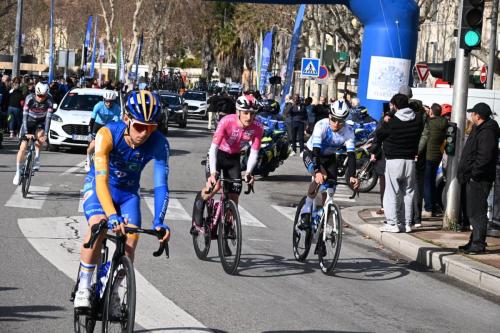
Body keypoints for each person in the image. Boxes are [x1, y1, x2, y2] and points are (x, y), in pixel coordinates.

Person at [73, 90, 171, 309]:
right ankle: (84, 286)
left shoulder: (159, 143)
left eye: (151, 127)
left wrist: (159, 221)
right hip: (101, 187)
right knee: (98, 226)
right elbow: (101, 180)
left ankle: (114, 290)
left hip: (128, 193)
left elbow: (161, 185)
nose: (145, 132)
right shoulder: (107, 134)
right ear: (126, 119)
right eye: (139, 126)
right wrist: (111, 215)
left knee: (131, 240)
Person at [191, 94, 264, 233]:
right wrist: (213, 173)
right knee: (215, 186)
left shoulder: (258, 128)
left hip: (233, 158)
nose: (249, 117)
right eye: (245, 113)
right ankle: (199, 206)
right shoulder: (226, 121)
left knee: (234, 195)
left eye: (252, 114)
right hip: (218, 155)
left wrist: (249, 172)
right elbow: (213, 149)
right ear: (238, 112)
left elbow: (254, 152)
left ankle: (227, 227)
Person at [298, 99, 359, 228]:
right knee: (321, 177)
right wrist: (317, 171)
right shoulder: (321, 126)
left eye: (341, 121)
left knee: (330, 187)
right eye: (334, 119)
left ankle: (322, 225)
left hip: (329, 157)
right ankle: (306, 209)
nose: (336, 124)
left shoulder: (348, 131)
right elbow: (315, 152)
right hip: (312, 153)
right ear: (329, 116)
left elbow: (351, 155)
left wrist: (353, 175)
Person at [377, 93, 424, 233]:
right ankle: (407, 223)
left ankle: (392, 223)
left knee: (391, 193)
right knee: (408, 193)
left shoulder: (392, 121)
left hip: (394, 160)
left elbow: (379, 135)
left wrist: (385, 121)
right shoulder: (417, 120)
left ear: (395, 106)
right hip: (410, 161)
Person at [457, 103, 500, 254]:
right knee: (472, 212)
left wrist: (474, 174)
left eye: (472, 113)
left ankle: (478, 244)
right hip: (474, 177)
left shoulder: (487, 132)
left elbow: (484, 156)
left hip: (480, 178)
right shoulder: (479, 129)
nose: (471, 116)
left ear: (478, 116)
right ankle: (473, 241)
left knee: (477, 213)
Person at [12, 82, 53, 185]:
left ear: (47, 94)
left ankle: (37, 158)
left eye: (43, 96)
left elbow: (48, 118)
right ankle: (17, 172)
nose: (41, 98)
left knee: (40, 135)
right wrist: (26, 132)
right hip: (29, 121)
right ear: (36, 92)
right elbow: (24, 117)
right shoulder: (29, 98)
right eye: (39, 95)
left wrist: (46, 134)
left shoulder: (49, 101)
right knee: (23, 147)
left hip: (40, 122)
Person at [419, 103, 448, 217]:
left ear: (432, 111)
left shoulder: (430, 123)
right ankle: (434, 206)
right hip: (438, 156)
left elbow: (425, 138)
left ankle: (428, 208)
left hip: (428, 155)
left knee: (427, 182)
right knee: (432, 182)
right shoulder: (444, 123)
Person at [84, 90, 121, 172]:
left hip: (108, 126)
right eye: (107, 101)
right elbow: (92, 120)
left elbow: (117, 123)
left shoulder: (117, 108)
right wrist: (89, 133)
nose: (109, 103)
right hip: (97, 124)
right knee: (92, 144)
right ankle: (88, 159)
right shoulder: (98, 106)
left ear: (114, 101)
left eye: (111, 102)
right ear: (104, 100)